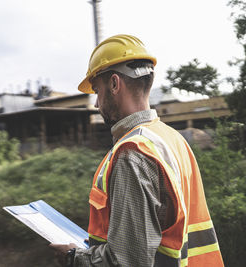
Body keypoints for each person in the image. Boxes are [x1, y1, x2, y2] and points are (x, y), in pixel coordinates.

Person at [50, 34, 224, 266]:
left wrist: (74, 258)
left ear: (114, 84)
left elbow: (127, 261)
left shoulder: (133, 153)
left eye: (96, 90)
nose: (96, 103)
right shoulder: (172, 138)